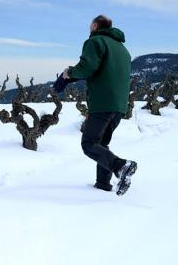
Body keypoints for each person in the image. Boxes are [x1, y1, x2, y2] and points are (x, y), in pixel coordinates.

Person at [56, 14, 137, 196]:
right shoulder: (123, 49)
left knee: (89, 143)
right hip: (119, 105)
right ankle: (103, 184)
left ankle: (121, 166)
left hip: (102, 103)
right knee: (102, 144)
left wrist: (68, 74)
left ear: (94, 26)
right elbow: (102, 69)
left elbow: (87, 67)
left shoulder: (95, 42)